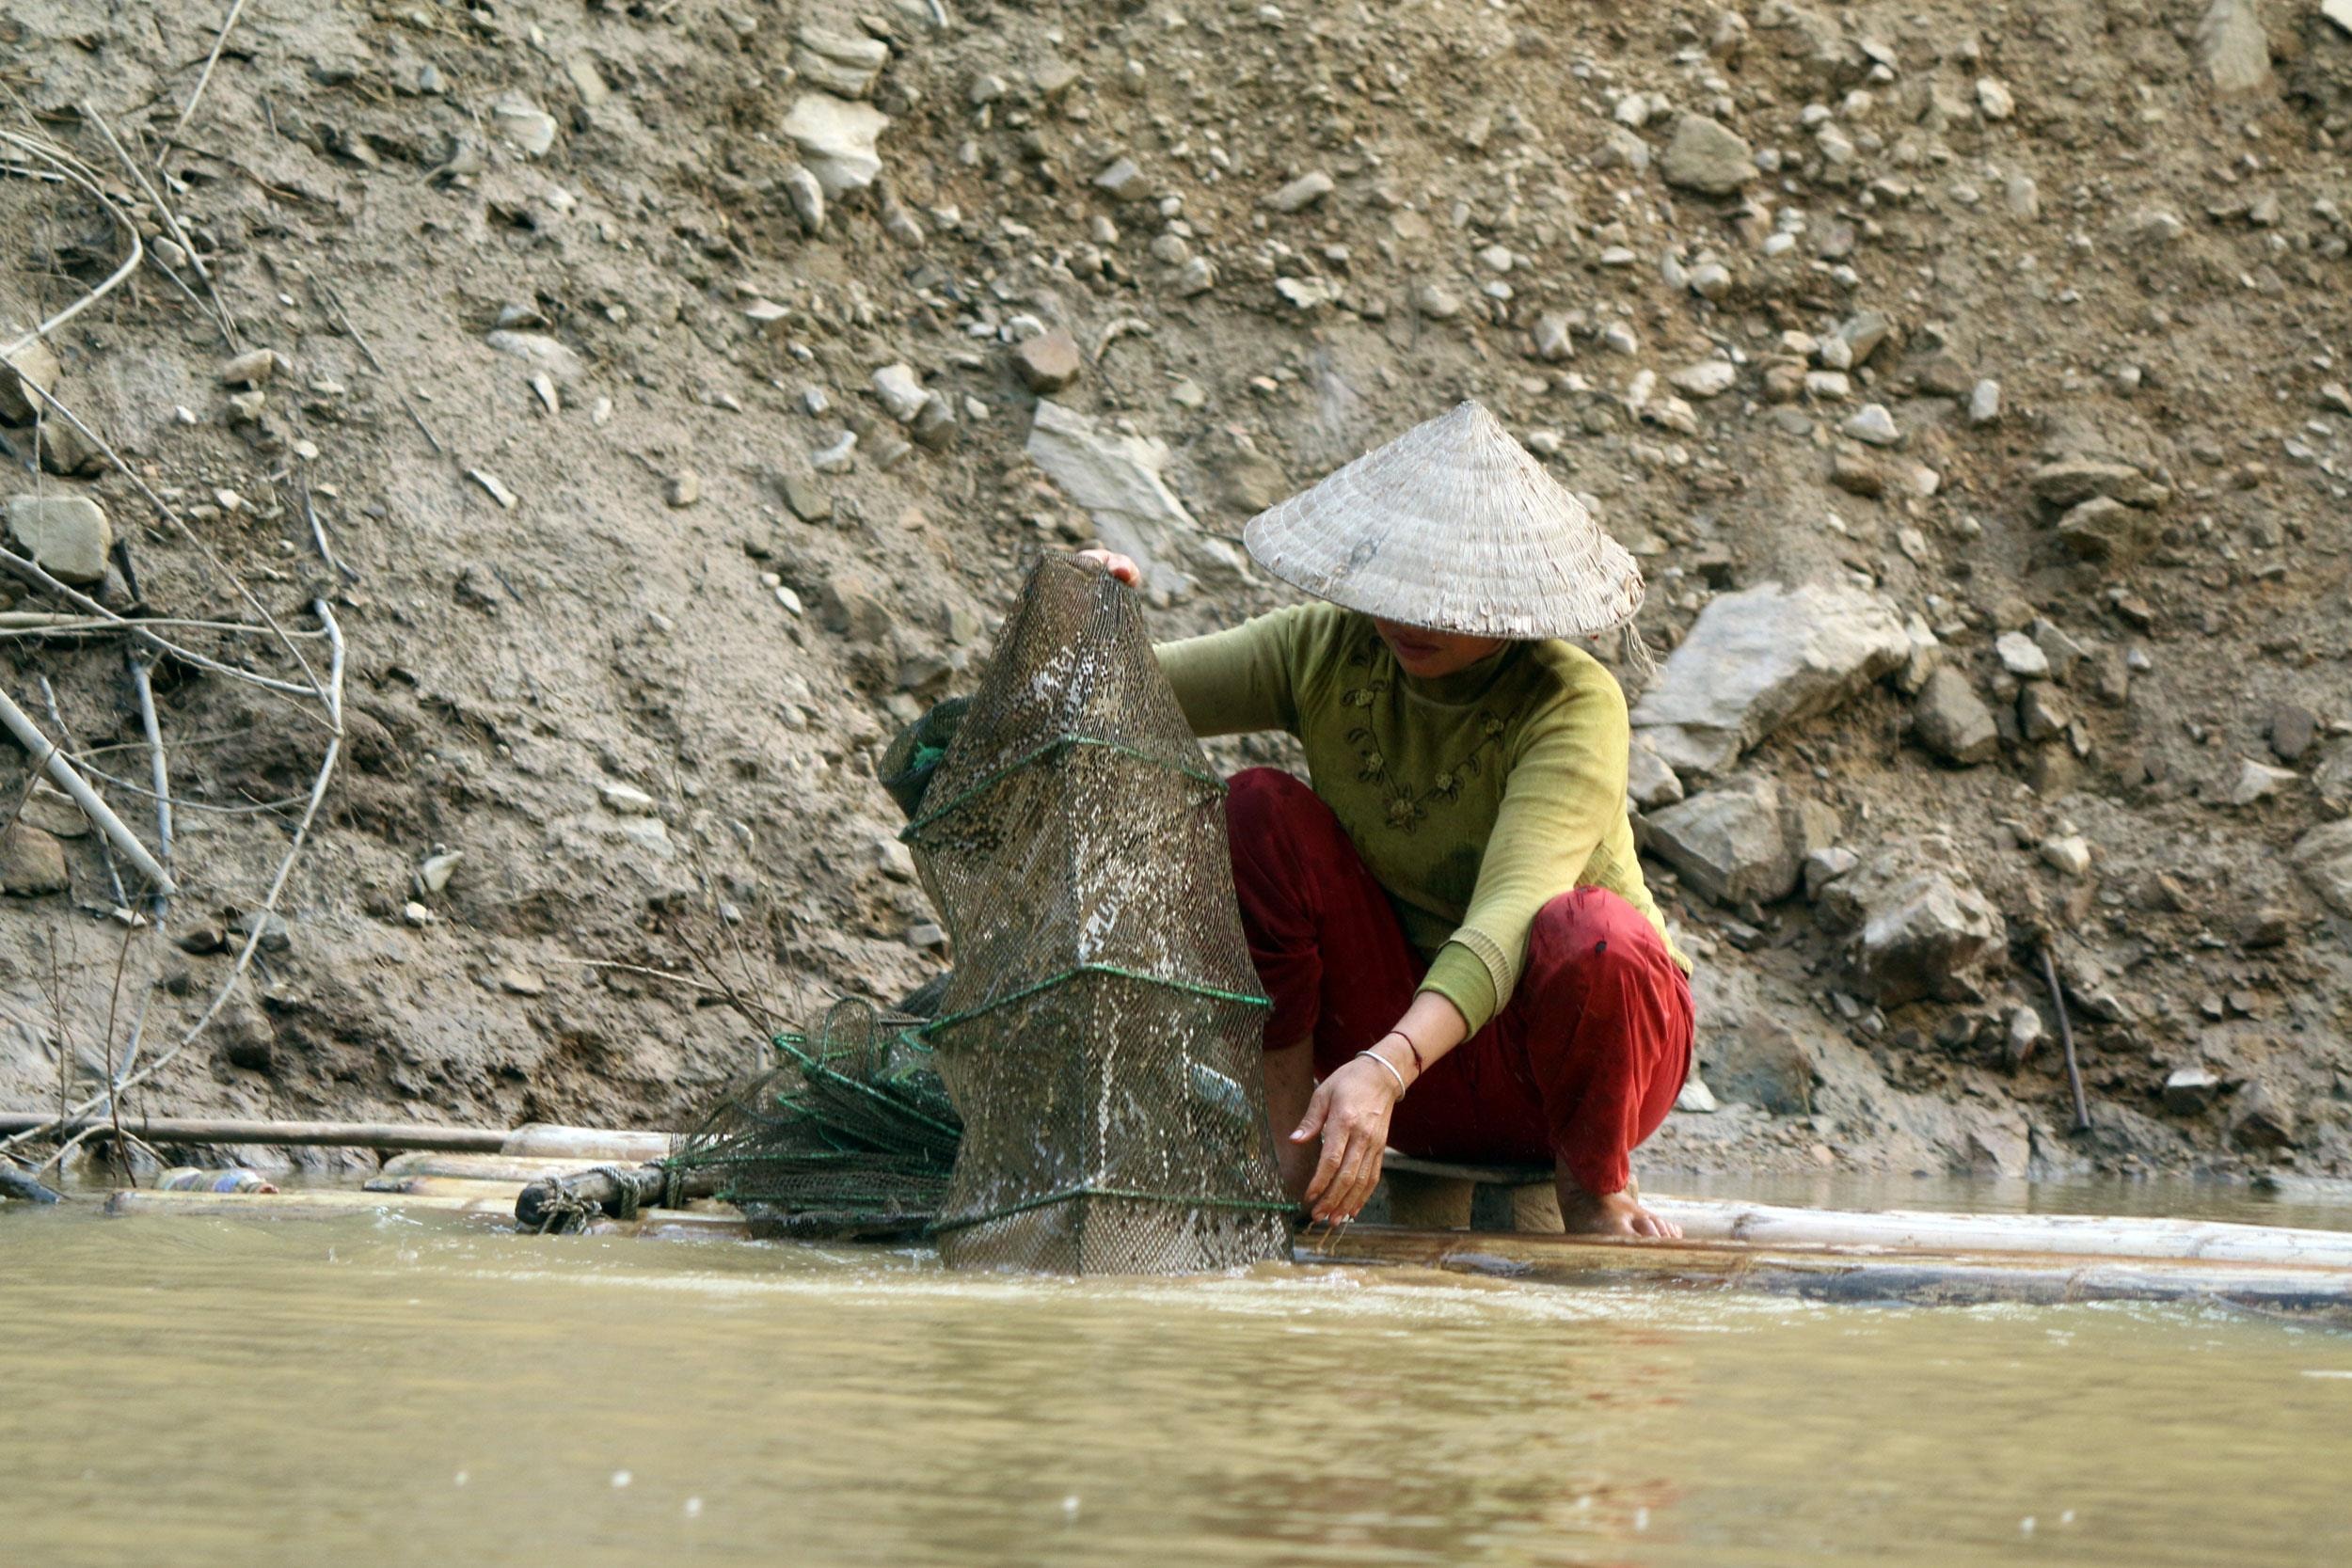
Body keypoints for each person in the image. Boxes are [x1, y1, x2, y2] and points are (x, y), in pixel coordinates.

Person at [1082, 401, 1693, 1238]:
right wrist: (1093, 620)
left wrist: (1383, 1066)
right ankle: (1292, 1150)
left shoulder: (1571, 702)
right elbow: (1128, 695)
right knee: (1258, 807)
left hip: (1573, 1068)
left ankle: (1595, 1191)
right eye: (1396, 586)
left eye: (1442, 598)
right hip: (1399, 1079)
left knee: (1593, 932)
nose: (1406, 618)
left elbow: (1509, 918)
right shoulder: (1326, 649)